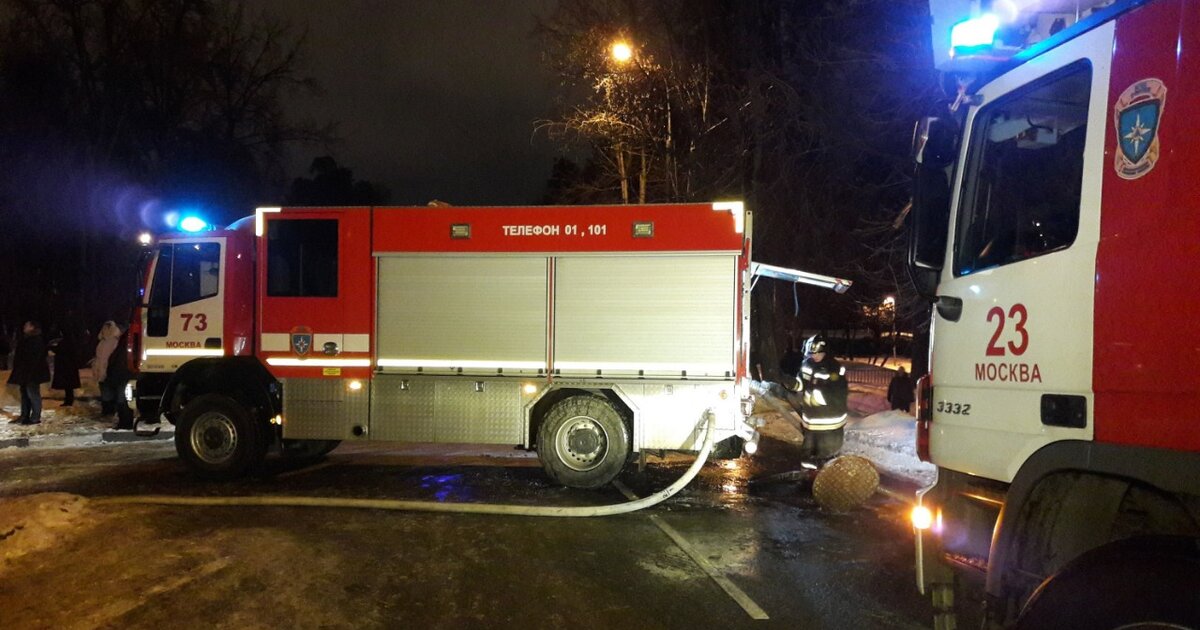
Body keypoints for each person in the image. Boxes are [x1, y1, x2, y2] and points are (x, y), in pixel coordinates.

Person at [796, 334, 849, 459]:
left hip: (830, 424)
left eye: (818, 353)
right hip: (810, 422)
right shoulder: (807, 364)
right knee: (807, 457)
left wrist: (818, 398)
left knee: (827, 460)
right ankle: (808, 475)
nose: (815, 356)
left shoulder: (835, 368)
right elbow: (801, 384)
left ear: (826, 352)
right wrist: (791, 383)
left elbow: (839, 394)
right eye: (812, 353)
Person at [8, 321, 51, 425]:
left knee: (33, 394)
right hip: (24, 373)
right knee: (25, 394)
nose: (24, 327)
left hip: (32, 373)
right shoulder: (27, 339)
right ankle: (24, 416)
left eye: (27, 325)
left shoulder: (36, 340)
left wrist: (29, 373)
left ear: (32, 327)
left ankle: (35, 417)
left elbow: (35, 359)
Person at [93, 321, 121, 416]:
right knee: (105, 391)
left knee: (109, 391)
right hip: (103, 370)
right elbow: (99, 357)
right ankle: (108, 409)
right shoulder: (103, 342)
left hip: (110, 370)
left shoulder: (115, 342)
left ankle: (110, 410)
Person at [49, 326, 82, 407]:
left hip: (65, 367)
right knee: (69, 386)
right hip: (70, 367)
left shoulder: (65, 342)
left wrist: (52, 348)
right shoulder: (72, 341)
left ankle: (68, 401)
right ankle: (68, 400)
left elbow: (59, 350)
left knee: (68, 386)